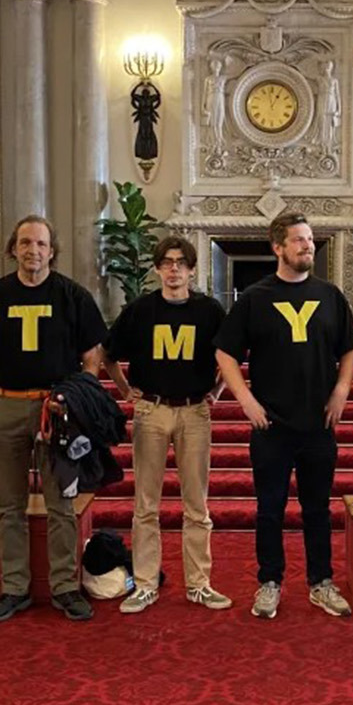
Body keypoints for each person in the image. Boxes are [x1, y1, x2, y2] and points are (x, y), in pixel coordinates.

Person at [0, 216, 107, 623]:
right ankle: (14, 587)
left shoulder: (72, 296)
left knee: (61, 503)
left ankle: (64, 586)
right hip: (6, 408)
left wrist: (74, 398)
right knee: (10, 505)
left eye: (40, 243)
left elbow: (93, 357)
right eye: (24, 243)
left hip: (56, 412)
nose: (32, 250)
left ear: (51, 250)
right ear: (13, 249)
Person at [215, 211, 353, 619]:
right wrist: (244, 398)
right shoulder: (255, 298)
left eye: (310, 239)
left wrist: (340, 389)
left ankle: (321, 582)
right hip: (271, 424)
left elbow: (350, 346)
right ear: (277, 247)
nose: (307, 245)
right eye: (298, 240)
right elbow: (225, 352)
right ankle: (270, 582)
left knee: (317, 508)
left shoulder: (329, 295)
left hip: (318, 423)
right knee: (270, 508)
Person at [103, 236, 231, 614]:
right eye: (167, 262)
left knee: (197, 505)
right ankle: (145, 584)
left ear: (192, 269)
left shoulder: (209, 311)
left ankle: (199, 583)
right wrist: (127, 391)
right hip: (152, 411)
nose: (173, 269)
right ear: (157, 268)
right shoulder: (141, 310)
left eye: (181, 262)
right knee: (145, 504)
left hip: (194, 411)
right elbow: (109, 356)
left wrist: (218, 390)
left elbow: (229, 354)